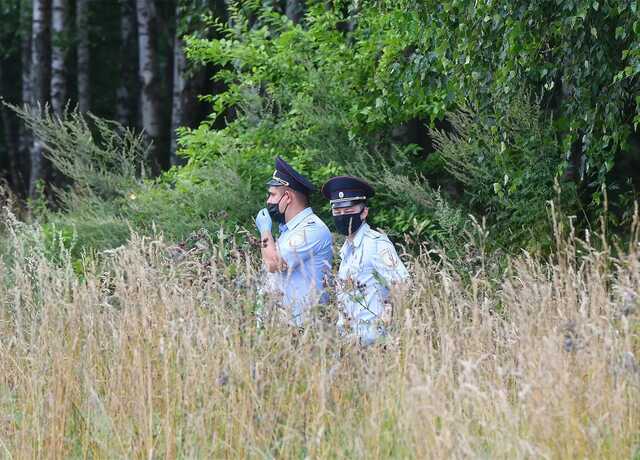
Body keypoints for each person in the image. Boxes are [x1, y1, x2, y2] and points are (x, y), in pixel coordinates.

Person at [321, 175, 409, 346]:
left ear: (364, 212)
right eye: (337, 212)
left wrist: (384, 321)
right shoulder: (347, 249)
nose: (342, 216)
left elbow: (403, 284)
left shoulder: (376, 244)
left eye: (348, 212)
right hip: (348, 344)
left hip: (374, 345)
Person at [255, 157, 333, 327]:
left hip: (304, 331)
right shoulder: (289, 231)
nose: (268, 201)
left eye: (272, 195)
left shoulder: (312, 229)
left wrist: (265, 231)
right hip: (283, 330)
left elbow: (273, 263)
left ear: (288, 197)